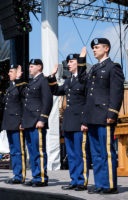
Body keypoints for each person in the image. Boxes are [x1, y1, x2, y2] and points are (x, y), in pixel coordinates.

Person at [81, 38, 124, 194]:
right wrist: (81, 61)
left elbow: (117, 92)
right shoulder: (94, 69)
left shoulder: (113, 67)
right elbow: (84, 88)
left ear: (106, 49)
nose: (94, 50)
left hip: (104, 116)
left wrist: (112, 112)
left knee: (106, 152)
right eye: (93, 47)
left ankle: (110, 185)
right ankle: (100, 184)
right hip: (92, 116)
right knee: (96, 153)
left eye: (97, 47)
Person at [48, 47, 89, 191]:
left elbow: (87, 101)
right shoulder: (68, 81)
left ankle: (82, 181)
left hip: (79, 122)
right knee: (71, 154)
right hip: (69, 122)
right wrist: (52, 77)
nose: (69, 64)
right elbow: (55, 91)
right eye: (68, 62)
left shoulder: (84, 79)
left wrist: (85, 122)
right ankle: (74, 180)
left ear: (79, 63)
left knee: (80, 154)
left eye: (71, 61)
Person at [15, 59, 53, 187]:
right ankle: (36, 176)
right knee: (32, 152)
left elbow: (47, 101)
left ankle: (42, 177)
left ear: (39, 67)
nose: (29, 69)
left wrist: (42, 119)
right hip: (29, 121)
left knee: (39, 151)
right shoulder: (32, 82)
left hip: (37, 121)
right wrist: (19, 79)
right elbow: (23, 95)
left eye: (32, 66)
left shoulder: (43, 80)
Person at [0, 65, 26, 184]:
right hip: (9, 123)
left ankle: (20, 175)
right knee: (12, 150)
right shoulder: (9, 88)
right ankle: (16, 174)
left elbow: (24, 104)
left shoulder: (21, 86)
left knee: (18, 150)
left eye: (11, 71)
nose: (8, 74)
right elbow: (3, 102)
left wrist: (22, 121)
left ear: (18, 73)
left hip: (17, 123)